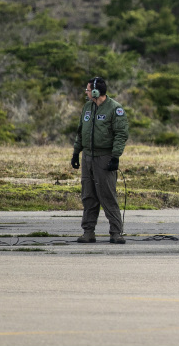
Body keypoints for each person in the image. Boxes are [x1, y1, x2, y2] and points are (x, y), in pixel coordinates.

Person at [71, 76, 129, 244]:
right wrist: (76, 152)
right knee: (88, 195)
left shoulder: (115, 109)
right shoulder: (87, 107)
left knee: (108, 195)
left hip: (104, 158)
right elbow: (81, 131)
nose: (86, 93)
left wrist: (115, 157)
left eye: (88, 90)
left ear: (96, 91)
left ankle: (116, 232)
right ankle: (88, 232)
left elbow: (121, 134)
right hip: (87, 157)